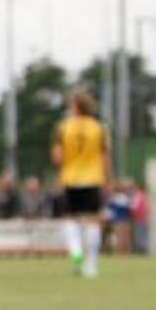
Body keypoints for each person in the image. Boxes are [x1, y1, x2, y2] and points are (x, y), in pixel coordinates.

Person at [51, 89, 110, 278]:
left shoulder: (63, 127)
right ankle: (91, 265)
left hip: (70, 178)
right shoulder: (98, 128)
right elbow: (104, 157)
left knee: (70, 218)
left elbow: (58, 157)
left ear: (74, 106)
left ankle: (75, 249)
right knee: (94, 221)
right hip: (93, 178)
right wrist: (106, 178)